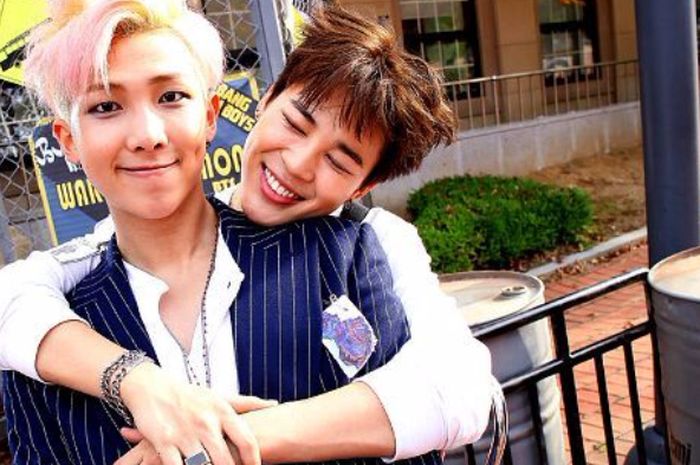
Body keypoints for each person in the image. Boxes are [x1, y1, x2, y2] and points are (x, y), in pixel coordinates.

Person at [0, 0, 494, 464]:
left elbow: (459, 393)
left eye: (171, 97)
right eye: (106, 106)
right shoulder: (46, 337)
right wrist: (131, 379)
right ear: (68, 140)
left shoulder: (353, 253)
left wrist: (216, 442)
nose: (147, 135)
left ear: (209, 115)